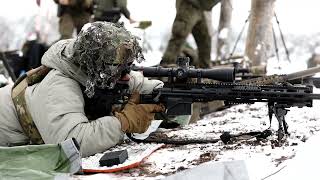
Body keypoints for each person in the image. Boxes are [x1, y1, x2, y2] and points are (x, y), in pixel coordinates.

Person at [0, 22, 164, 157]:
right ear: (97, 68)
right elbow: (72, 143)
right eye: (118, 70)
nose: (127, 76)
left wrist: (170, 92)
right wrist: (123, 122)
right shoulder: (58, 86)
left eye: (127, 67)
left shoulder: (102, 70)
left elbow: (140, 84)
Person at [161, 0, 221, 68]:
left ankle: (205, 70)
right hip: (188, 5)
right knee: (179, 35)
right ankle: (166, 68)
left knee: (205, 40)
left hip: (199, 8)